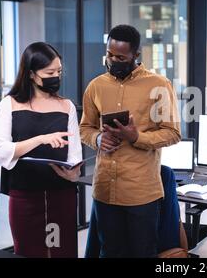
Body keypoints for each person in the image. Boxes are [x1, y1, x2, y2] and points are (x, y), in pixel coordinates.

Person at [80, 24, 181, 258]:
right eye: (109, 55)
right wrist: (97, 138)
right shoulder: (96, 86)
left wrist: (136, 137)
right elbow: (85, 127)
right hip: (105, 190)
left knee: (142, 253)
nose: (113, 60)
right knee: (110, 252)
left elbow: (172, 133)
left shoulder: (159, 85)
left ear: (136, 55)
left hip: (141, 192)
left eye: (120, 57)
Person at [0, 42, 83, 258]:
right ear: (32, 74)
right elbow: (1, 150)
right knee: (28, 251)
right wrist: (41, 139)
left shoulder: (66, 106)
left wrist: (74, 174)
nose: (56, 77)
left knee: (62, 250)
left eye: (59, 71)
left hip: (62, 195)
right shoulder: (10, 104)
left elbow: (75, 154)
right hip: (24, 197)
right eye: (49, 72)